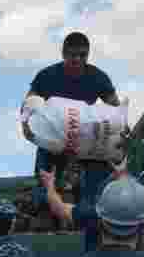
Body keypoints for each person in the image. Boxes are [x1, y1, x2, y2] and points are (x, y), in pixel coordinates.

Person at [24, 32, 121, 212]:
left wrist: (122, 131)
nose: (77, 59)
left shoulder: (98, 77)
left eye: (82, 55)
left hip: (85, 141)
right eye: (72, 55)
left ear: (88, 55)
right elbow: (28, 103)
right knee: (44, 180)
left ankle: (88, 214)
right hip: (53, 139)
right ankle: (44, 214)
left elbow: (116, 109)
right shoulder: (46, 76)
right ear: (63, 53)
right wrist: (26, 126)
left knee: (93, 180)